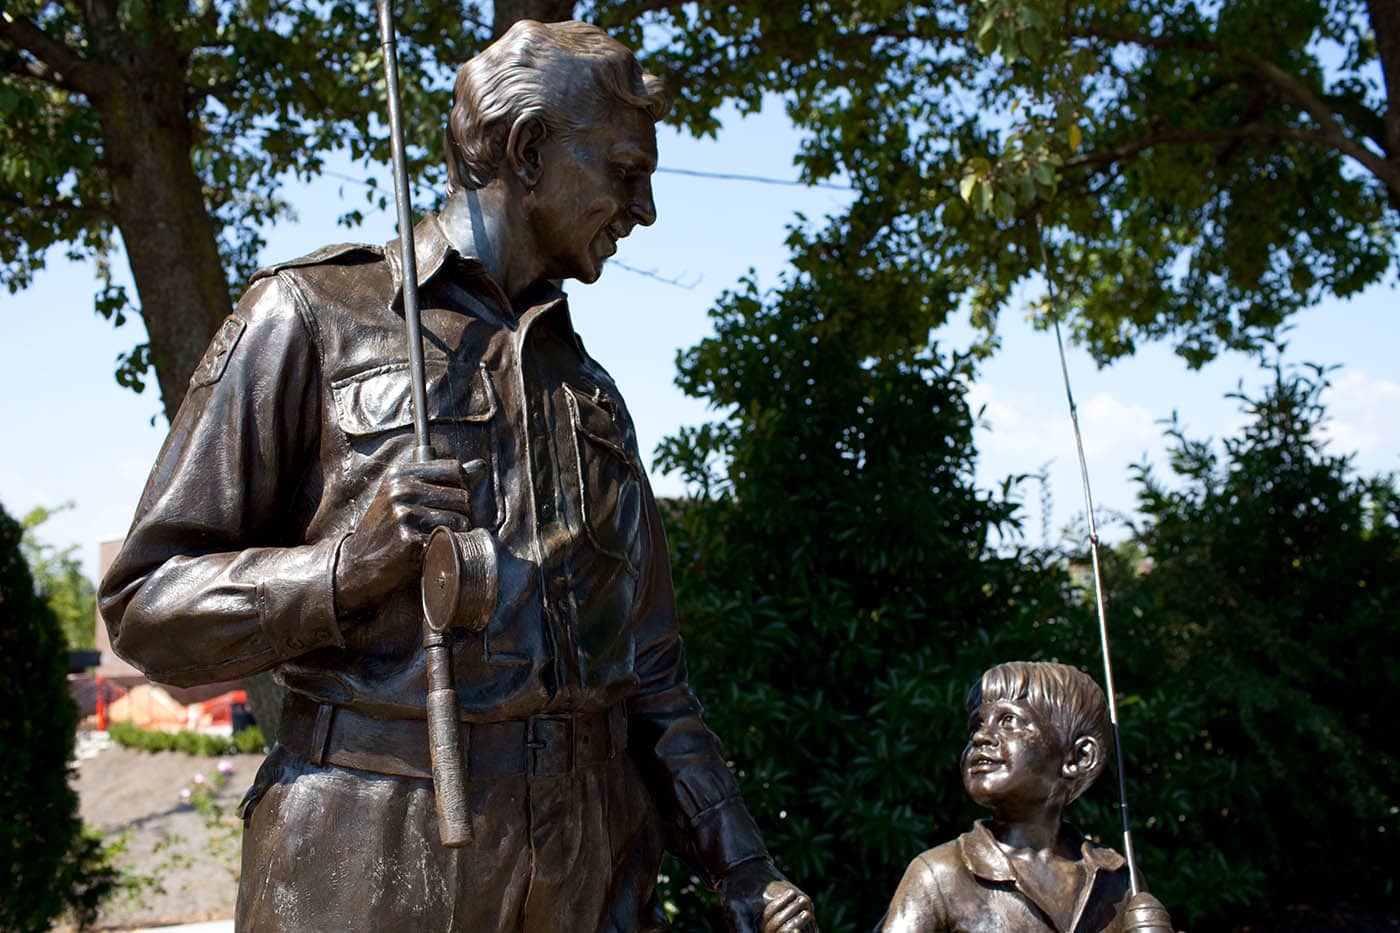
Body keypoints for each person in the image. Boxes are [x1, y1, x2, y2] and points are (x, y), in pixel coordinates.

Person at [99, 19, 816, 933]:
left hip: (588, 870)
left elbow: (655, 674)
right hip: (371, 856)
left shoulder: (589, 389)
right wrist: (341, 571)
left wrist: (742, 865)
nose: (644, 209)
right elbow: (146, 609)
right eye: (625, 171)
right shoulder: (313, 318)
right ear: (528, 152)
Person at [876, 661, 1173, 932]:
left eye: (1008, 721)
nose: (981, 736)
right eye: (977, 725)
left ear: (1079, 757)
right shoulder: (940, 875)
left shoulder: (1118, 882)